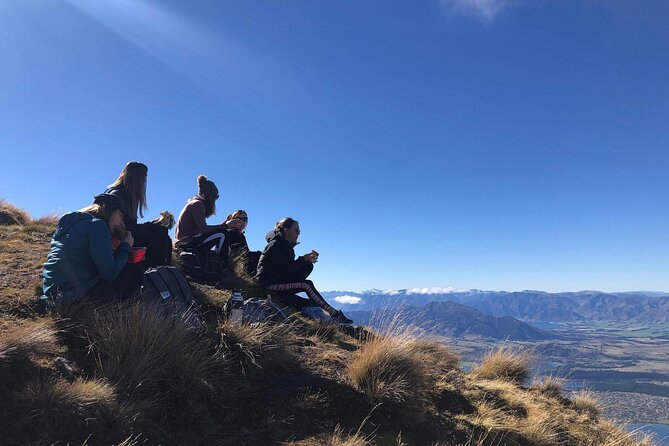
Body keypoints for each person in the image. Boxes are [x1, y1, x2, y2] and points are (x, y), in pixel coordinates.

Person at [41, 194, 141, 304]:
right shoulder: (98, 225)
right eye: (121, 216)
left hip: (52, 290)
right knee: (133, 271)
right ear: (111, 212)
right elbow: (110, 273)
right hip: (70, 295)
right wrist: (126, 246)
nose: (122, 222)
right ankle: (128, 315)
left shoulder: (72, 224)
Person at [256, 217, 352, 324]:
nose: (298, 234)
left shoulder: (285, 245)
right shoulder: (276, 245)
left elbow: (288, 270)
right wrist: (303, 259)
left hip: (278, 282)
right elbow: (287, 270)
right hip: (269, 284)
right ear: (286, 229)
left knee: (307, 272)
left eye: (299, 231)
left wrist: (307, 262)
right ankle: (334, 313)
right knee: (306, 285)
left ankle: (329, 317)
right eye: (296, 230)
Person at [105, 161, 173, 267]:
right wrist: (154, 225)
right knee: (160, 233)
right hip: (116, 240)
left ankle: (158, 272)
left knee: (161, 232)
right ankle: (155, 272)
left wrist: (155, 223)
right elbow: (127, 229)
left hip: (122, 237)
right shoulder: (118, 196)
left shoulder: (122, 195)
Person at [174, 176, 247, 273]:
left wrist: (224, 224)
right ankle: (223, 266)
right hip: (186, 243)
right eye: (216, 197)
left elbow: (200, 229)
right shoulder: (198, 205)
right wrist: (225, 226)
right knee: (222, 234)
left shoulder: (194, 203)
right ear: (210, 196)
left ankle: (220, 263)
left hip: (185, 241)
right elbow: (201, 229)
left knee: (221, 232)